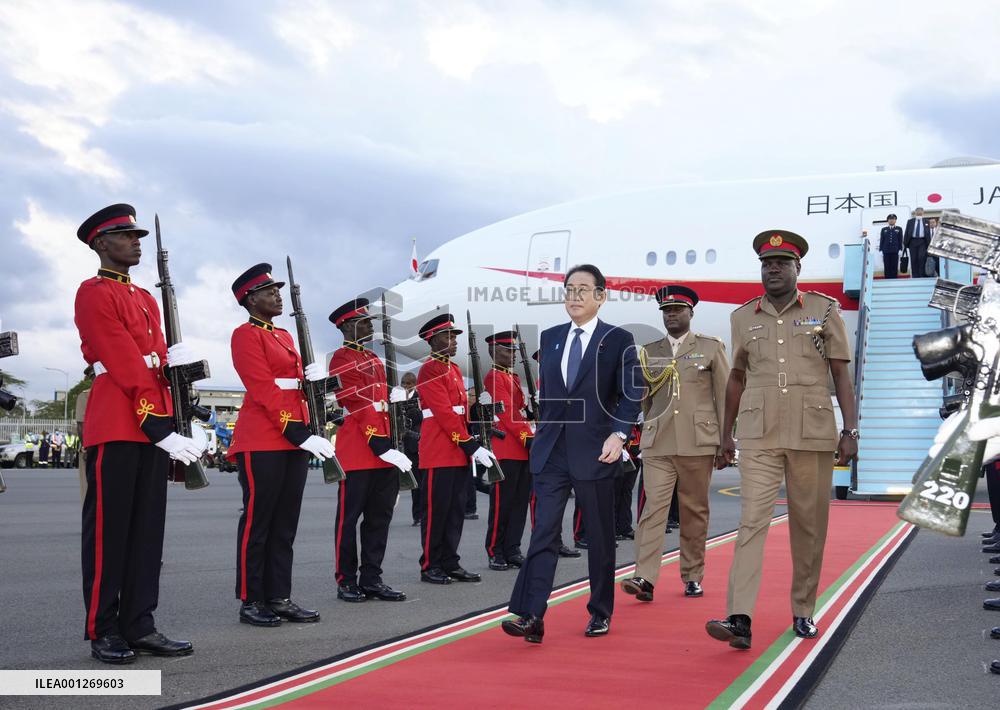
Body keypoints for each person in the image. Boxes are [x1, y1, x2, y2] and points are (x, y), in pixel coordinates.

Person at [706, 229, 858, 650]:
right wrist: (725, 436)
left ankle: (804, 609)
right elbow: (735, 378)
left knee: (809, 527)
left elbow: (841, 374)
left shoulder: (825, 311)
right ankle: (739, 618)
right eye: (766, 264)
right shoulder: (742, 318)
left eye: (781, 263)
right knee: (751, 522)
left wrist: (851, 429)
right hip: (758, 434)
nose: (773, 269)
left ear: (797, 269)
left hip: (811, 432)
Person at [74, 203, 203, 664]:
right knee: (110, 534)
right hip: (119, 422)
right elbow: (124, 361)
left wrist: (180, 376)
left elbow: (154, 360)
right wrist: (156, 423)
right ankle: (103, 629)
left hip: (154, 423)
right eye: (126, 237)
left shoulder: (147, 297)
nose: (136, 243)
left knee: (149, 532)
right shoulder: (93, 292)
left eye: (137, 237)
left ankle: (140, 623)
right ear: (101, 244)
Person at [503, 264, 642, 643]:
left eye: (583, 289)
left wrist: (619, 434)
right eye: (569, 289)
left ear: (601, 296)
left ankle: (600, 611)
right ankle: (531, 614)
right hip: (551, 454)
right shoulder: (550, 339)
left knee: (598, 537)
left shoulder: (618, 340)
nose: (574, 296)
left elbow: (632, 393)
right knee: (544, 533)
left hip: (596, 452)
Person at [227, 263, 333, 627]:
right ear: (250, 299)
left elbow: (294, 386)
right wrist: (297, 432)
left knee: (285, 523)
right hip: (263, 437)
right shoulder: (245, 335)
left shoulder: (285, 336)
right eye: (269, 291)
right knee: (259, 522)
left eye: (277, 290)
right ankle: (251, 598)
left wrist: (316, 383)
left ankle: (279, 595)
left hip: (293, 437)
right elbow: (263, 389)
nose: (277, 295)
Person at [622, 285, 730, 602]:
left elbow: (724, 395)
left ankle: (693, 575)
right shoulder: (650, 351)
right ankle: (644, 577)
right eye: (666, 311)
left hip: (698, 442)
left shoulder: (710, 348)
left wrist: (726, 439)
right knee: (652, 511)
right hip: (659, 443)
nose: (671, 315)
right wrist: (651, 425)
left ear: (690, 313)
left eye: (677, 310)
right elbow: (645, 400)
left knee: (694, 511)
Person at [328, 297, 411, 603]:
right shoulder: (340, 359)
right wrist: (378, 442)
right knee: (348, 520)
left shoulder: (375, 360)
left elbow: (379, 403)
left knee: (379, 519)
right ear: (347, 326)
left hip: (384, 450)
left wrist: (396, 399)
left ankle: (372, 578)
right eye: (363, 322)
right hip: (360, 450)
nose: (369, 325)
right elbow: (357, 401)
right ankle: (346, 580)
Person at [415, 313, 497, 584]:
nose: (453, 341)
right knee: (436, 511)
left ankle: (450, 561)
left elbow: (461, 413)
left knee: (455, 510)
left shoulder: (451, 369)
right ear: (432, 340)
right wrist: (470, 445)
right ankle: (430, 565)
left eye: (454, 337)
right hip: (439, 449)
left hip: (457, 450)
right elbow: (443, 414)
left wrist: (480, 409)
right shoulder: (429, 369)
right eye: (447, 337)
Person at [482, 331, 534, 571]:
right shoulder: (493, 378)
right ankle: (495, 550)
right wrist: (528, 438)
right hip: (507, 448)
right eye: (507, 351)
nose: (512, 355)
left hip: (521, 450)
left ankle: (513, 548)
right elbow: (507, 414)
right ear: (493, 352)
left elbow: (520, 410)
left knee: (519, 503)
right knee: (502, 504)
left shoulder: (510, 377)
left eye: (513, 351)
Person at [398, 371, 425, 526]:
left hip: (423, 443)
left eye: (409, 383)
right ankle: (418, 516)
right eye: (404, 383)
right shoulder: (398, 399)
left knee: (426, 483)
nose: (406, 386)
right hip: (409, 446)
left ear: (415, 384)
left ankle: (426, 514)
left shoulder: (420, 398)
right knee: (415, 483)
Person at [74, 365, 94, 502]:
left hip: (91, 448)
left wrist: (86, 447)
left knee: (88, 493)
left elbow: (82, 426)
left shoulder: (86, 395)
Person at [904, 207, 930, 278]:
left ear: (923, 212)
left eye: (920, 211)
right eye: (917, 211)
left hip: (922, 242)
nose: (919, 213)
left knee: (921, 258)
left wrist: (929, 244)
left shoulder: (926, 221)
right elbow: (907, 232)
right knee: (914, 259)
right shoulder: (910, 221)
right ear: (915, 212)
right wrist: (905, 244)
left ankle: (922, 275)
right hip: (913, 241)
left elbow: (928, 234)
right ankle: (915, 276)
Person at [878, 213, 903, 279]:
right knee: (887, 266)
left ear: (895, 220)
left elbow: (900, 240)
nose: (891, 220)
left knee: (894, 266)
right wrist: (880, 250)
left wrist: (900, 249)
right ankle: (887, 279)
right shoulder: (884, 229)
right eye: (890, 219)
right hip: (886, 251)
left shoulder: (899, 229)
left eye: (893, 219)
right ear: (888, 220)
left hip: (895, 250)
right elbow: (882, 240)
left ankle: (894, 279)